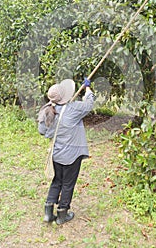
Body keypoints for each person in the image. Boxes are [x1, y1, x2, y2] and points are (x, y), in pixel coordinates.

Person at [38, 78, 94, 225]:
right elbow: (89, 105)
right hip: (72, 155)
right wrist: (87, 89)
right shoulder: (73, 109)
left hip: (56, 154)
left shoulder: (47, 110)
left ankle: (48, 213)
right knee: (68, 183)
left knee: (57, 180)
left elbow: (42, 131)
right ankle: (62, 214)